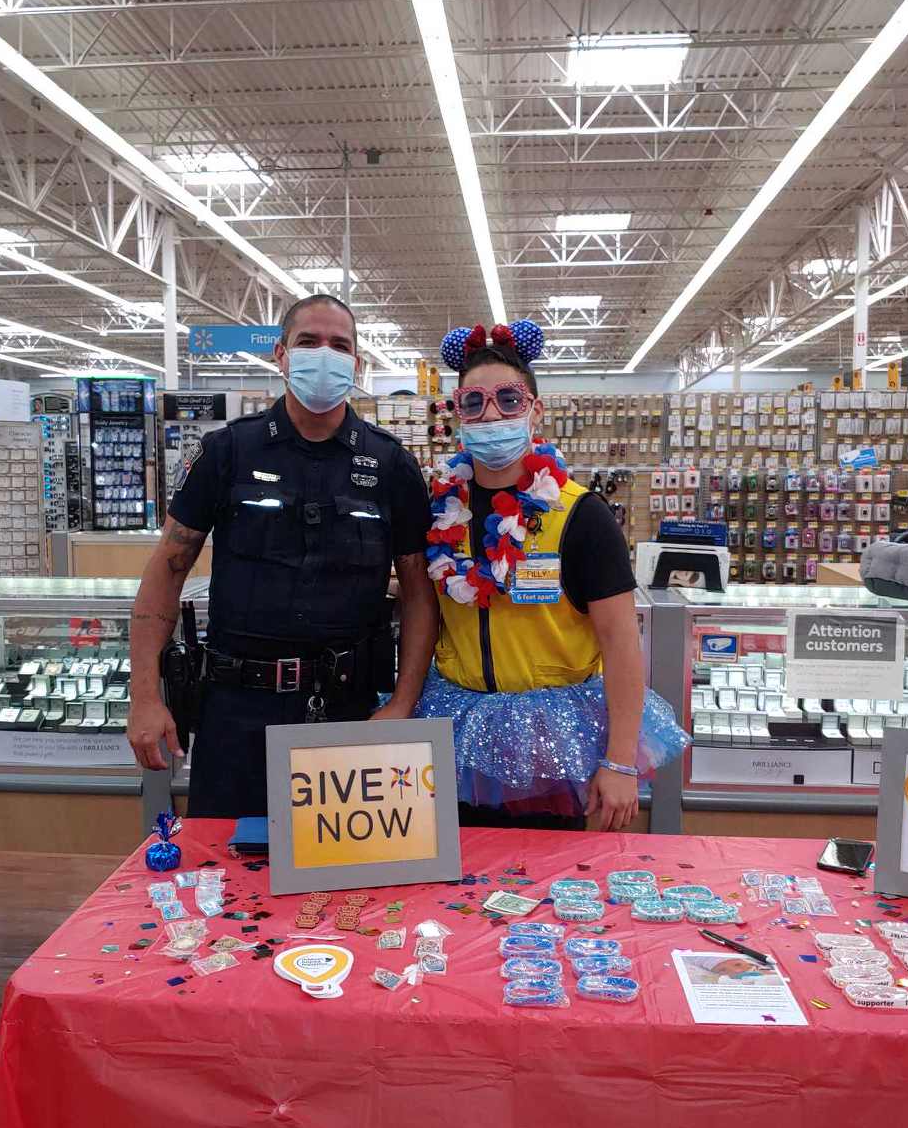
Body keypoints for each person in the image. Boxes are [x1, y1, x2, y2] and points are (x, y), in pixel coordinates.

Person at [126, 293, 439, 816]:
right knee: (225, 859)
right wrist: (144, 696)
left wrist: (403, 703)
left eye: (340, 345)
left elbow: (418, 593)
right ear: (281, 354)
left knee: (346, 862)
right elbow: (168, 568)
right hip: (237, 714)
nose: (324, 354)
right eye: (308, 341)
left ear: (357, 363)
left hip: (351, 712)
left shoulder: (391, 465)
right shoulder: (228, 452)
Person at [415, 319, 687, 832]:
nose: (490, 413)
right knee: (454, 864)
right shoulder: (438, 513)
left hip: (550, 736)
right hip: (456, 726)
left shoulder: (580, 514)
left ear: (535, 410)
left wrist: (621, 760)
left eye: (509, 400)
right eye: (473, 402)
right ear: (457, 414)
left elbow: (620, 641)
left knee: (545, 871)